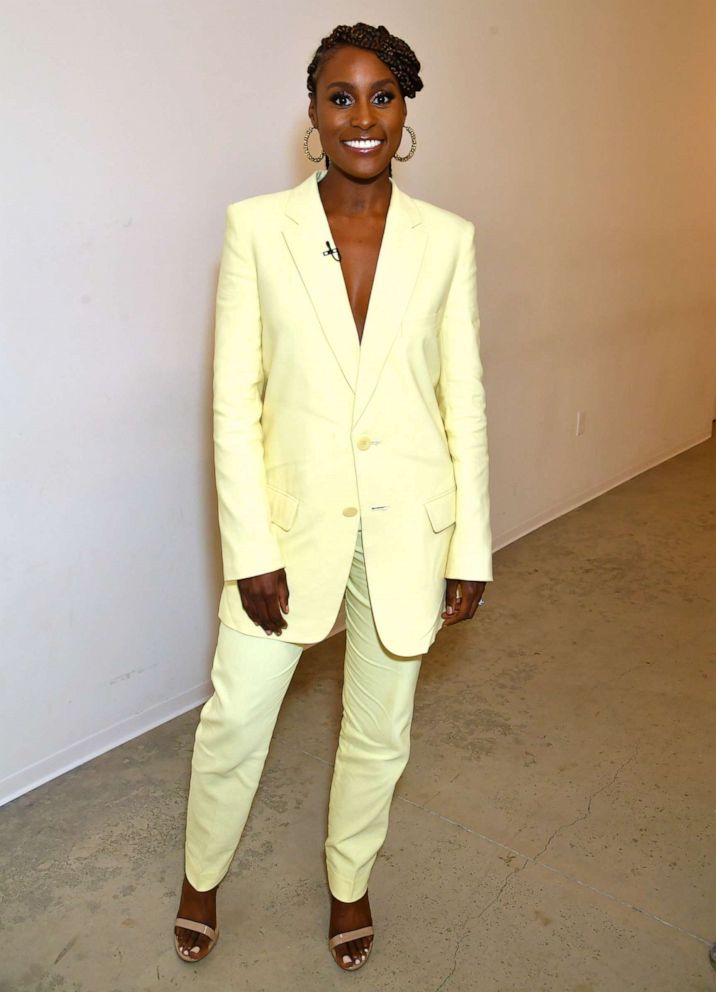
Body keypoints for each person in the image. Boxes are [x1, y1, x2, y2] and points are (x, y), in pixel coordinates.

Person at [173, 21, 493, 973]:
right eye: (341, 97)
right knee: (235, 716)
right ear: (312, 115)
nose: (363, 116)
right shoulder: (257, 229)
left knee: (380, 726)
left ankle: (349, 881)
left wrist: (468, 545)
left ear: (406, 113)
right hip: (287, 526)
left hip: (409, 522)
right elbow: (234, 402)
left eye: (382, 95)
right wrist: (250, 548)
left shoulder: (448, 241)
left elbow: (462, 400)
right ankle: (201, 875)